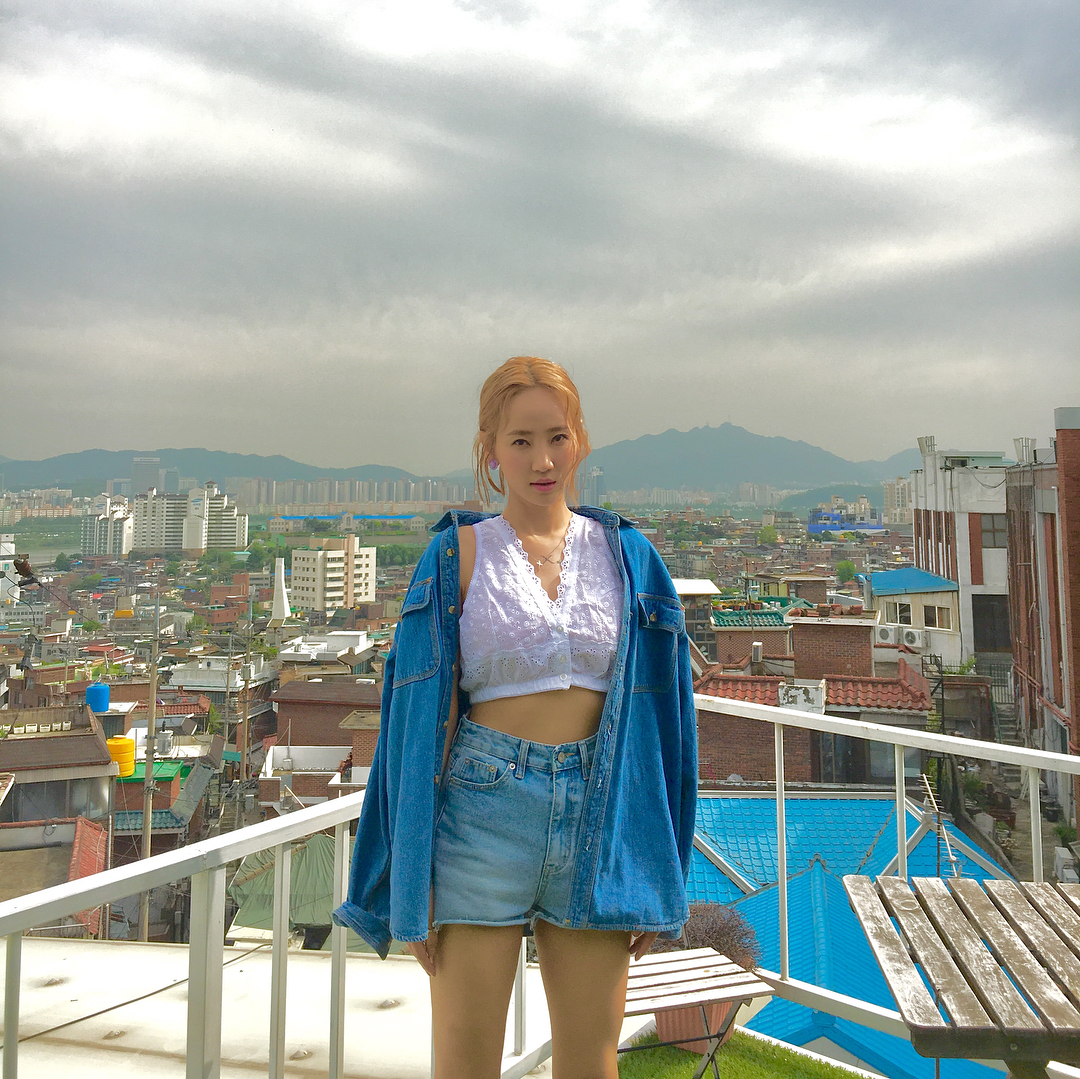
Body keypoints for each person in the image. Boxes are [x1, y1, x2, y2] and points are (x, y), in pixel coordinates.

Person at [334, 357, 697, 1079]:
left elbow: (672, 729)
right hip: (480, 815)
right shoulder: (457, 556)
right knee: (465, 1063)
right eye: (521, 441)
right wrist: (410, 876)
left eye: (557, 437)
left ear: (580, 439)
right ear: (490, 450)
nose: (543, 460)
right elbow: (413, 722)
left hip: (601, 816)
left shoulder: (630, 559)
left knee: (591, 1063)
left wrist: (660, 870)